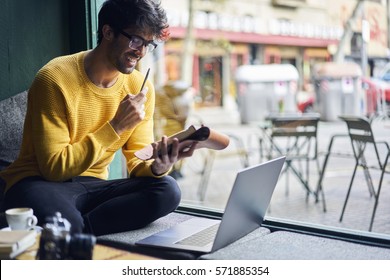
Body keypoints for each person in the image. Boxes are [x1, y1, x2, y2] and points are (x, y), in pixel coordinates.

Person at [0, 0, 197, 236]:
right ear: (108, 32)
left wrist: (157, 167)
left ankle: (78, 231)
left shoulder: (138, 86)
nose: (141, 52)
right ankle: (74, 228)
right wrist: (115, 126)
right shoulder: (54, 78)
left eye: (148, 44)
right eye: (136, 40)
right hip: (37, 182)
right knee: (66, 222)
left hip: (94, 185)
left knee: (168, 190)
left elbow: (137, 162)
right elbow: (54, 168)